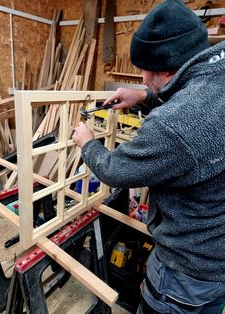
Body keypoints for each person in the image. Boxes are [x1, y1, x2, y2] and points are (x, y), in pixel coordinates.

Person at [72, 0, 225, 312]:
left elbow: (115, 170)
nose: (141, 78)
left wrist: (87, 143)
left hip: (188, 270)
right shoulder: (217, 70)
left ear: (166, 69)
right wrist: (145, 96)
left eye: (143, 72)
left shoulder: (172, 125)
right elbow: (191, 95)